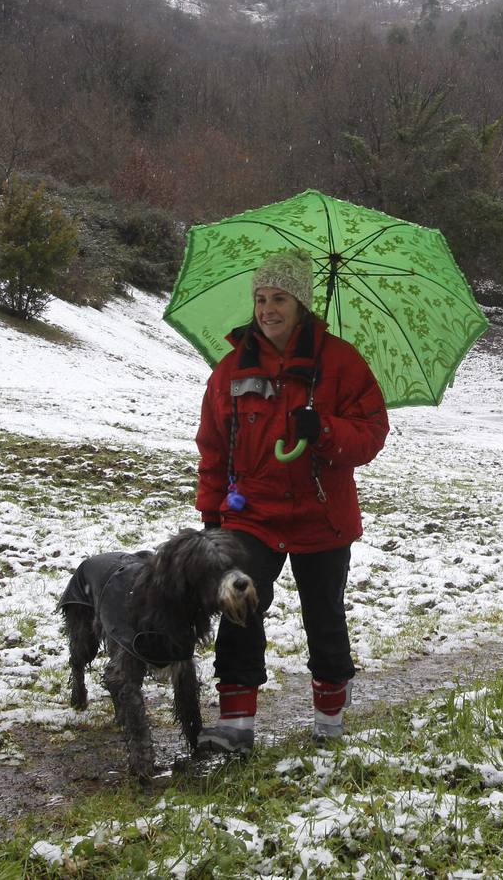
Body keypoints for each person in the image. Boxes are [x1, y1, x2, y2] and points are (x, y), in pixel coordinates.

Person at [193, 249, 389, 754]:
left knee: (324, 615)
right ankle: (235, 726)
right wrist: (211, 515)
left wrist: (323, 429)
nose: (267, 309)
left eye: (279, 298)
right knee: (239, 605)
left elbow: (370, 435)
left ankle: (329, 719)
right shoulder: (231, 369)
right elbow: (213, 446)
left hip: (321, 515)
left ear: (300, 304)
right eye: (260, 299)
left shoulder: (340, 362)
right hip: (250, 513)